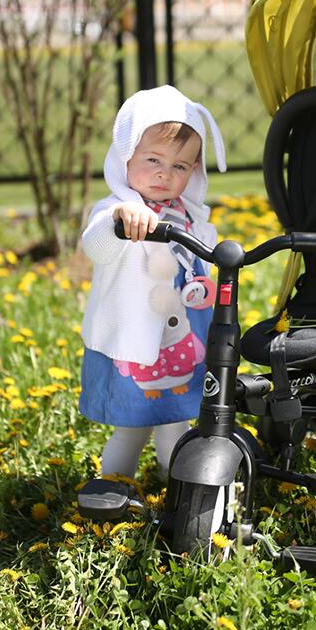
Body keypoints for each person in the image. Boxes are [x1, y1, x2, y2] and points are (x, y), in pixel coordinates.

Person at [77, 85, 226, 514]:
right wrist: (122, 220)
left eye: (180, 166)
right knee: (130, 427)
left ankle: (178, 487)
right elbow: (97, 245)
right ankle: (111, 489)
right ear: (126, 158)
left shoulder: (190, 213)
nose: (165, 174)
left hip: (180, 342)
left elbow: (204, 257)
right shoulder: (117, 210)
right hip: (136, 347)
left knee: (177, 421)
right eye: (153, 161)